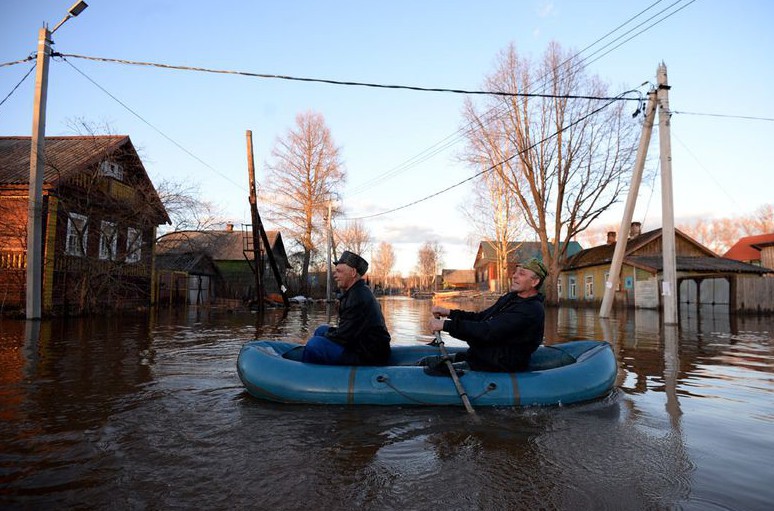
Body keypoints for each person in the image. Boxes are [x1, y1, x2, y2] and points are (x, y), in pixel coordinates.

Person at [427, 258, 548, 372]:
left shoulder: (531, 310)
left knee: (434, 370)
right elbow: (481, 318)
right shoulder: (510, 298)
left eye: (521, 274)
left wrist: (445, 325)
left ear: (534, 282)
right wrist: (450, 313)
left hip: (501, 363)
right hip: (486, 355)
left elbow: (487, 331)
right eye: (515, 272)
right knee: (425, 361)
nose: (514, 276)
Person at [302, 251, 391, 365]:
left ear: (353, 272)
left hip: (368, 356)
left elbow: (344, 337)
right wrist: (326, 334)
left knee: (314, 344)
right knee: (321, 329)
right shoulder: (358, 291)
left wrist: (325, 338)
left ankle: (307, 375)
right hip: (362, 345)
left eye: (339, 271)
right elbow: (348, 331)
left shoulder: (357, 297)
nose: (335, 275)